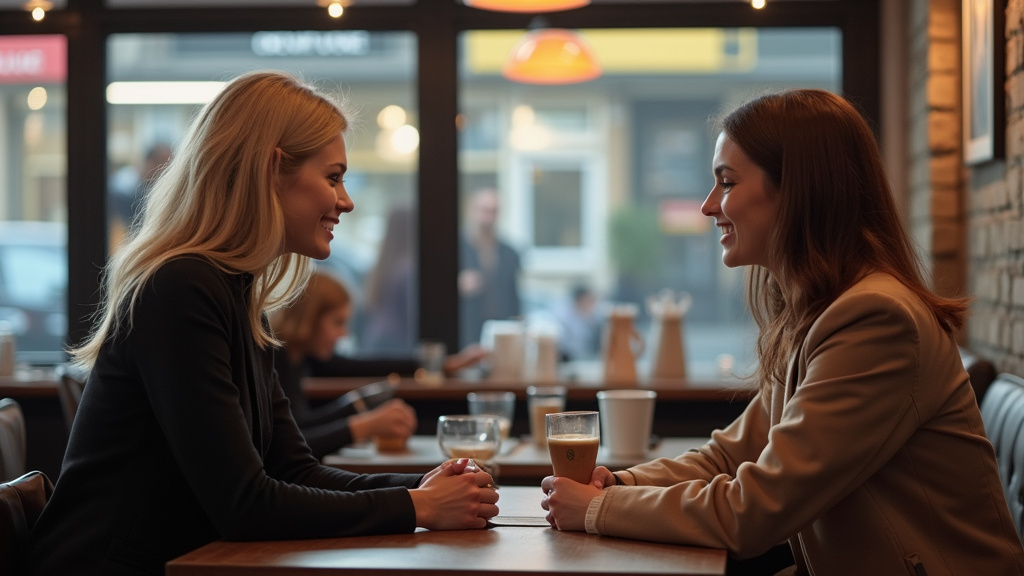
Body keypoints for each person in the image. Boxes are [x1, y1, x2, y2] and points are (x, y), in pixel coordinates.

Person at [25, 71, 498, 576]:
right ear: (272, 169)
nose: (346, 201)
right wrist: (418, 507)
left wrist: (418, 489)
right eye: (333, 177)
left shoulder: (234, 290)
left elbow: (293, 469)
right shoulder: (180, 288)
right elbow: (245, 504)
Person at [540, 89, 1024, 575]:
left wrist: (597, 510)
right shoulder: (819, 312)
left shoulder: (876, 321)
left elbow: (755, 511)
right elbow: (729, 456)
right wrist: (617, 485)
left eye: (726, 183)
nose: (708, 207)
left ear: (797, 191)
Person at [272, 270, 482, 458]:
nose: (343, 334)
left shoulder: (300, 357)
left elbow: (360, 366)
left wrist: (436, 365)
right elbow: (292, 443)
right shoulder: (275, 357)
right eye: (338, 322)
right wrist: (364, 425)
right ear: (308, 318)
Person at [459, 187, 522, 347]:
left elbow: (514, 297)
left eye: (493, 211)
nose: (488, 217)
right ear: (472, 210)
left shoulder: (510, 253)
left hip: (501, 333)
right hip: (466, 331)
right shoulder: (457, 249)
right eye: (484, 210)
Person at [361, 205, 416, 355]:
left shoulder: (385, 264)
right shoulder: (408, 268)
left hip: (376, 339)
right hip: (395, 345)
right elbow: (411, 315)